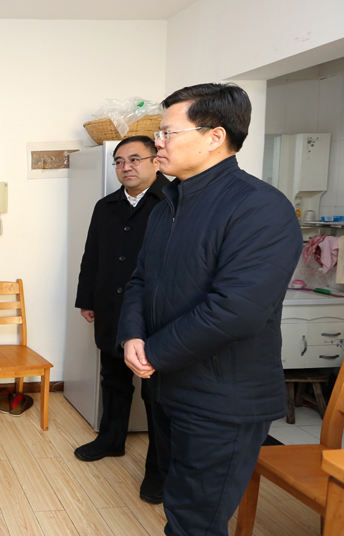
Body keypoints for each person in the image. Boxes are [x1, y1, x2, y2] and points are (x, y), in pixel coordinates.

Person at [117, 83, 303, 535]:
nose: (158, 143)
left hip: (222, 400)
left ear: (215, 136)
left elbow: (236, 310)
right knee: (179, 506)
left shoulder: (259, 207)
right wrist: (132, 335)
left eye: (168, 133)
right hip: (169, 386)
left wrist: (153, 351)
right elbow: (140, 280)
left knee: (195, 522)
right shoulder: (167, 207)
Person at [73, 136, 169, 504]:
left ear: (155, 161)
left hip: (155, 314)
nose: (126, 167)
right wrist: (86, 299)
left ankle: (159, 470)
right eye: (119, 161)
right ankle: (111, 439)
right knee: (113, 379)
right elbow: (92, 255)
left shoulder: (172, 201)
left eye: (134, 159)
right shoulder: (106, 206)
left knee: (156, 393)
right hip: (111, 307)